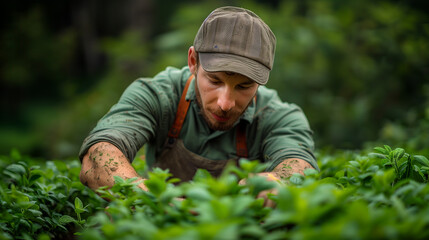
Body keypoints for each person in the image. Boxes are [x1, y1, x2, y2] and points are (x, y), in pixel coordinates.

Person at [79, 6, 318, 207]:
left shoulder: (280, 116)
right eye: (215, 81)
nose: (226, 104)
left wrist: (272, 183)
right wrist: (156, 201)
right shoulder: (158, 95)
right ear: (193, 62)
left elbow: (299, 168)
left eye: (244, 86)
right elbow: (98, 154)